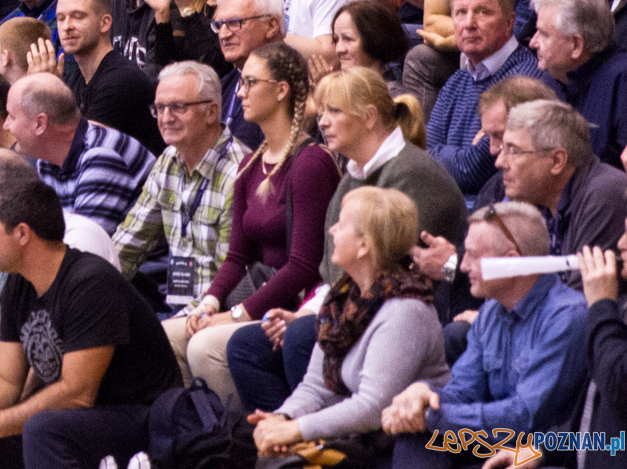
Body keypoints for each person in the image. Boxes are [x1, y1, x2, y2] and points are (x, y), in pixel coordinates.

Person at [228, 66, 466, 414]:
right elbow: (333, 271)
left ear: (369, 117)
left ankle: (323, 436)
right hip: (352, 303)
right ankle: (282, 429)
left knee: (301, 336)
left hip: (406, 313)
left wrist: (314, 316)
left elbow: (387, 274)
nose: (322, 121)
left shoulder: (414, 173)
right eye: (322, 111)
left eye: (334, 111)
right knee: (246, 346)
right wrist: (307, 311)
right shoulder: (355, 174)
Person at [0, 177, 181, 469]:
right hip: (77, 421)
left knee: (43, 429)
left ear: (22, 234)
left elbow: (77, 394)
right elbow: (4, 379)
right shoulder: (18, 283)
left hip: (140, 420)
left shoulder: (90, 282)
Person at [170, 43, 340, 401]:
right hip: (256, 295)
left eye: (251, 83)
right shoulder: (250, 165)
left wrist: (237, 314)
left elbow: (304, 266)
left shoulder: (310, 164)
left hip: (292, 305)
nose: (240, 93)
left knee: (204, 347)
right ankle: (194, 427)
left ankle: (241, 430)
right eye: (241, 83)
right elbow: (237, 257)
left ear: (281, 90)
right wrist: (210, 302)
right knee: (168, 337)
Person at [382, 202, 587, 467]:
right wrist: (423, 398)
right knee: (416, 438)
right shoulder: (491, 311)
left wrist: (432, 416)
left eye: (473, 255)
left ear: (510, 262)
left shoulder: (566, 317)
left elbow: (525, 418)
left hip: (543, 452)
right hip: (493, 440)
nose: (463, 266)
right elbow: (462, 391)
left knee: (428, 430)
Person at [250, 187, 450, 459]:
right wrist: (282, 418)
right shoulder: (344, 298)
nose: (331, 230)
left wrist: (296, 429)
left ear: (364, 246)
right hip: (359, 440)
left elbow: (373, 407)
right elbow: (315, 387)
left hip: (404, 448)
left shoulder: (406, 309)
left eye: (341, 225)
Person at [112, 61, 250, 314]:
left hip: (216, 313)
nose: (166, 118)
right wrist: (88, 289)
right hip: (174, 306)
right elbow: (129, 243)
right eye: (160, 108)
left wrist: (173, 325)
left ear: (211, 112)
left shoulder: (238, 172)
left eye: (178, 107)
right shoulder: (168, 160)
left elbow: (230, 278)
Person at [426, 0, 548, 202]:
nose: (469, 24)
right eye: (460, 12)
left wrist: (443, 155)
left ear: (510, 22)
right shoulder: (456, 82)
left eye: (483, 12)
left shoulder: (526, 80)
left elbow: (474, 168)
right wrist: (459, 156)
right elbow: (426, 155)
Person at [1, 70, 152, 235]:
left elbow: (86, 243)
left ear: (40, 124)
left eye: (11, 117)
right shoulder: (47, 159)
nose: (5, 125)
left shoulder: (101, 157)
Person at [495, 100, 627, 287]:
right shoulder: (535, 197)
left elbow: (582, 296)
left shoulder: (603, 194)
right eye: (503, 149)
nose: (499, 162)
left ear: (557, 161)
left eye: (513, 151)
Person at [36, 0, 161, 154]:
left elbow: (79, 152)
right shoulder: (77, 79)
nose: (66, 26)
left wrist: (50, 94)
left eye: (78, 16)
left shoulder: (121, 81)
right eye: (61, 18)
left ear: (105, 23)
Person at [530, 0, 627, 164]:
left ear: (576, 45)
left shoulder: (621, 82)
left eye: (543, 34)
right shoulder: (551, 79)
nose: (533, 43)